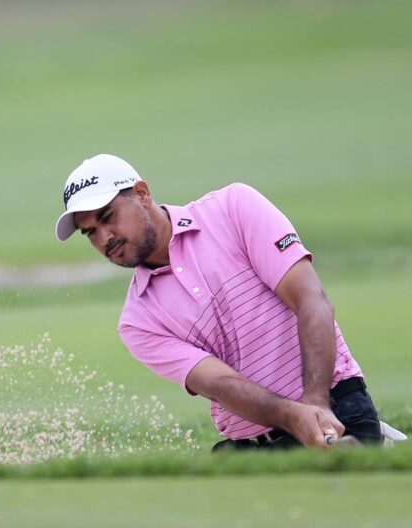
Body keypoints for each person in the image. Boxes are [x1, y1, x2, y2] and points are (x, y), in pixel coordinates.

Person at [54, 153, 385, 451]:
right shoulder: (138, 320)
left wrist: (316, 404)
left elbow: (311, 300)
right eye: (90, 232)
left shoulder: (233, 209)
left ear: (142, 194)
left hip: (339, 409)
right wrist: (295, 416)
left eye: (108, 216)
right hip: (259, 444)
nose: (104, 238)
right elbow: (220, 385)